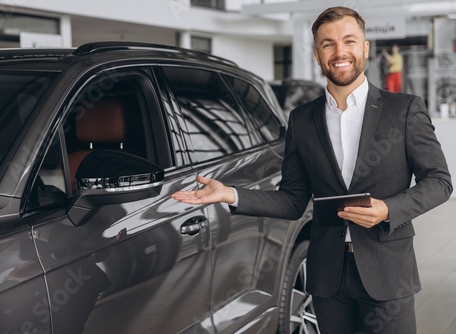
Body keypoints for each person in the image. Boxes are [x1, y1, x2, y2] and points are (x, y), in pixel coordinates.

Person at [172, 6, 452, 334]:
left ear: (365, 48)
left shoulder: (403, 109)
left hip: (387, 272)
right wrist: (229, 194)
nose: (339, 52)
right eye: (328, 44)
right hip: (328, 277)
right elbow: (293, 200)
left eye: (349, 41)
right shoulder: (302, 119)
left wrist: (390, 209)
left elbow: (439, 181)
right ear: (318, 55)